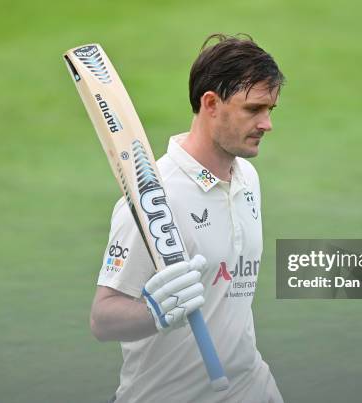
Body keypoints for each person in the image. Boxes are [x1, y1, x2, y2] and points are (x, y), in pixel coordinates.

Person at [91, 33, 285, 403]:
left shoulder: (247, 178)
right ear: (210, 103)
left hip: (249, 387)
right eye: (253, 110)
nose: (266, 124)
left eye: (270, 110)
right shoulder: (156, 198)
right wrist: (154, 312)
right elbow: (102, 319)